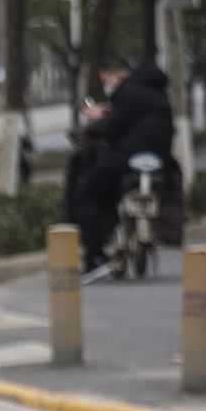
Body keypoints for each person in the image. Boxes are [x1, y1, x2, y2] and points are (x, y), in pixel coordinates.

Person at [71, 57, 176, 271]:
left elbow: (114, 128)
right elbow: (134, 120)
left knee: (85, 194)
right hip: (160, 161)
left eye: (107, 80)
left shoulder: (128, 91)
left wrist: (92, 125)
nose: (108, 86)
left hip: (126, 158)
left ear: (118, 75)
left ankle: (95, 257)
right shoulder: (155, 90)